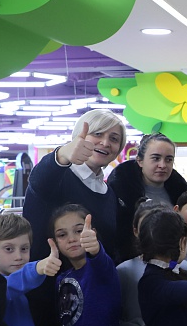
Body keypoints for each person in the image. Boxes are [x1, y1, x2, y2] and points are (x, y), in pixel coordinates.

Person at [23, 109, 126, 262]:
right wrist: (63, 153)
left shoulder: (109, 193)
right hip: (48, 274)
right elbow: (38, 180)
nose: (105, 143)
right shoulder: (58, 176)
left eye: (114, 139)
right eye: (97, 134)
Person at [108, 132, 187, 263]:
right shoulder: (120, 194)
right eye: (156, 158)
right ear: (140, 161)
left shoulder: (181, 195)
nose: (162, 165)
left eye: (169, 159)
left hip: (173, 265)